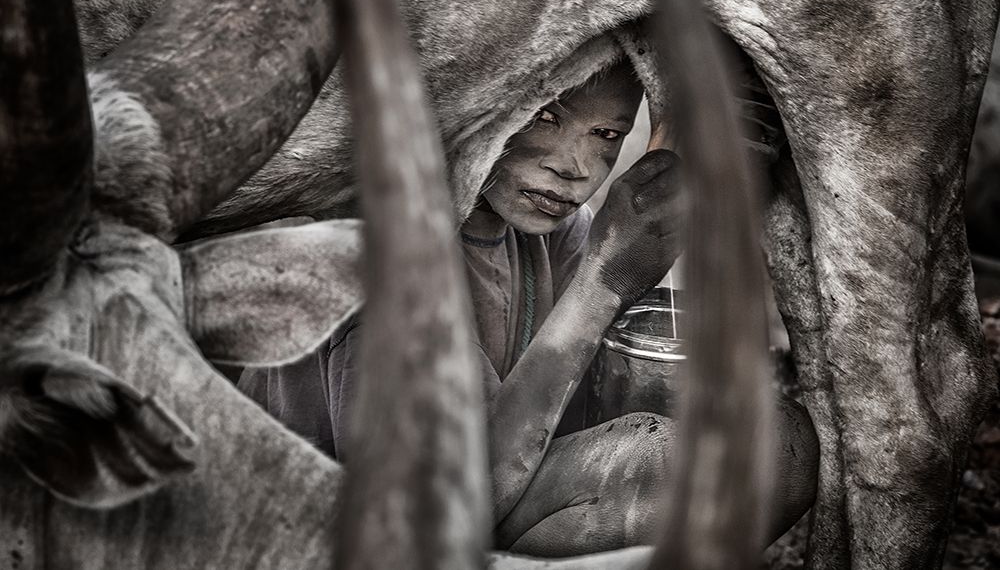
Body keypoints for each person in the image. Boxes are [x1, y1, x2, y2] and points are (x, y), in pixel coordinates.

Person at [239, 57, 818, 556]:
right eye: (546, 117)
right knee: (660, 467)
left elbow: (587, 388)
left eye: (607, 135)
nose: (574, 167)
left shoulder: (549, 230)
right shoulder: (374, 241)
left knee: (773, 445)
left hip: (484, 497)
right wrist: (601, 284)